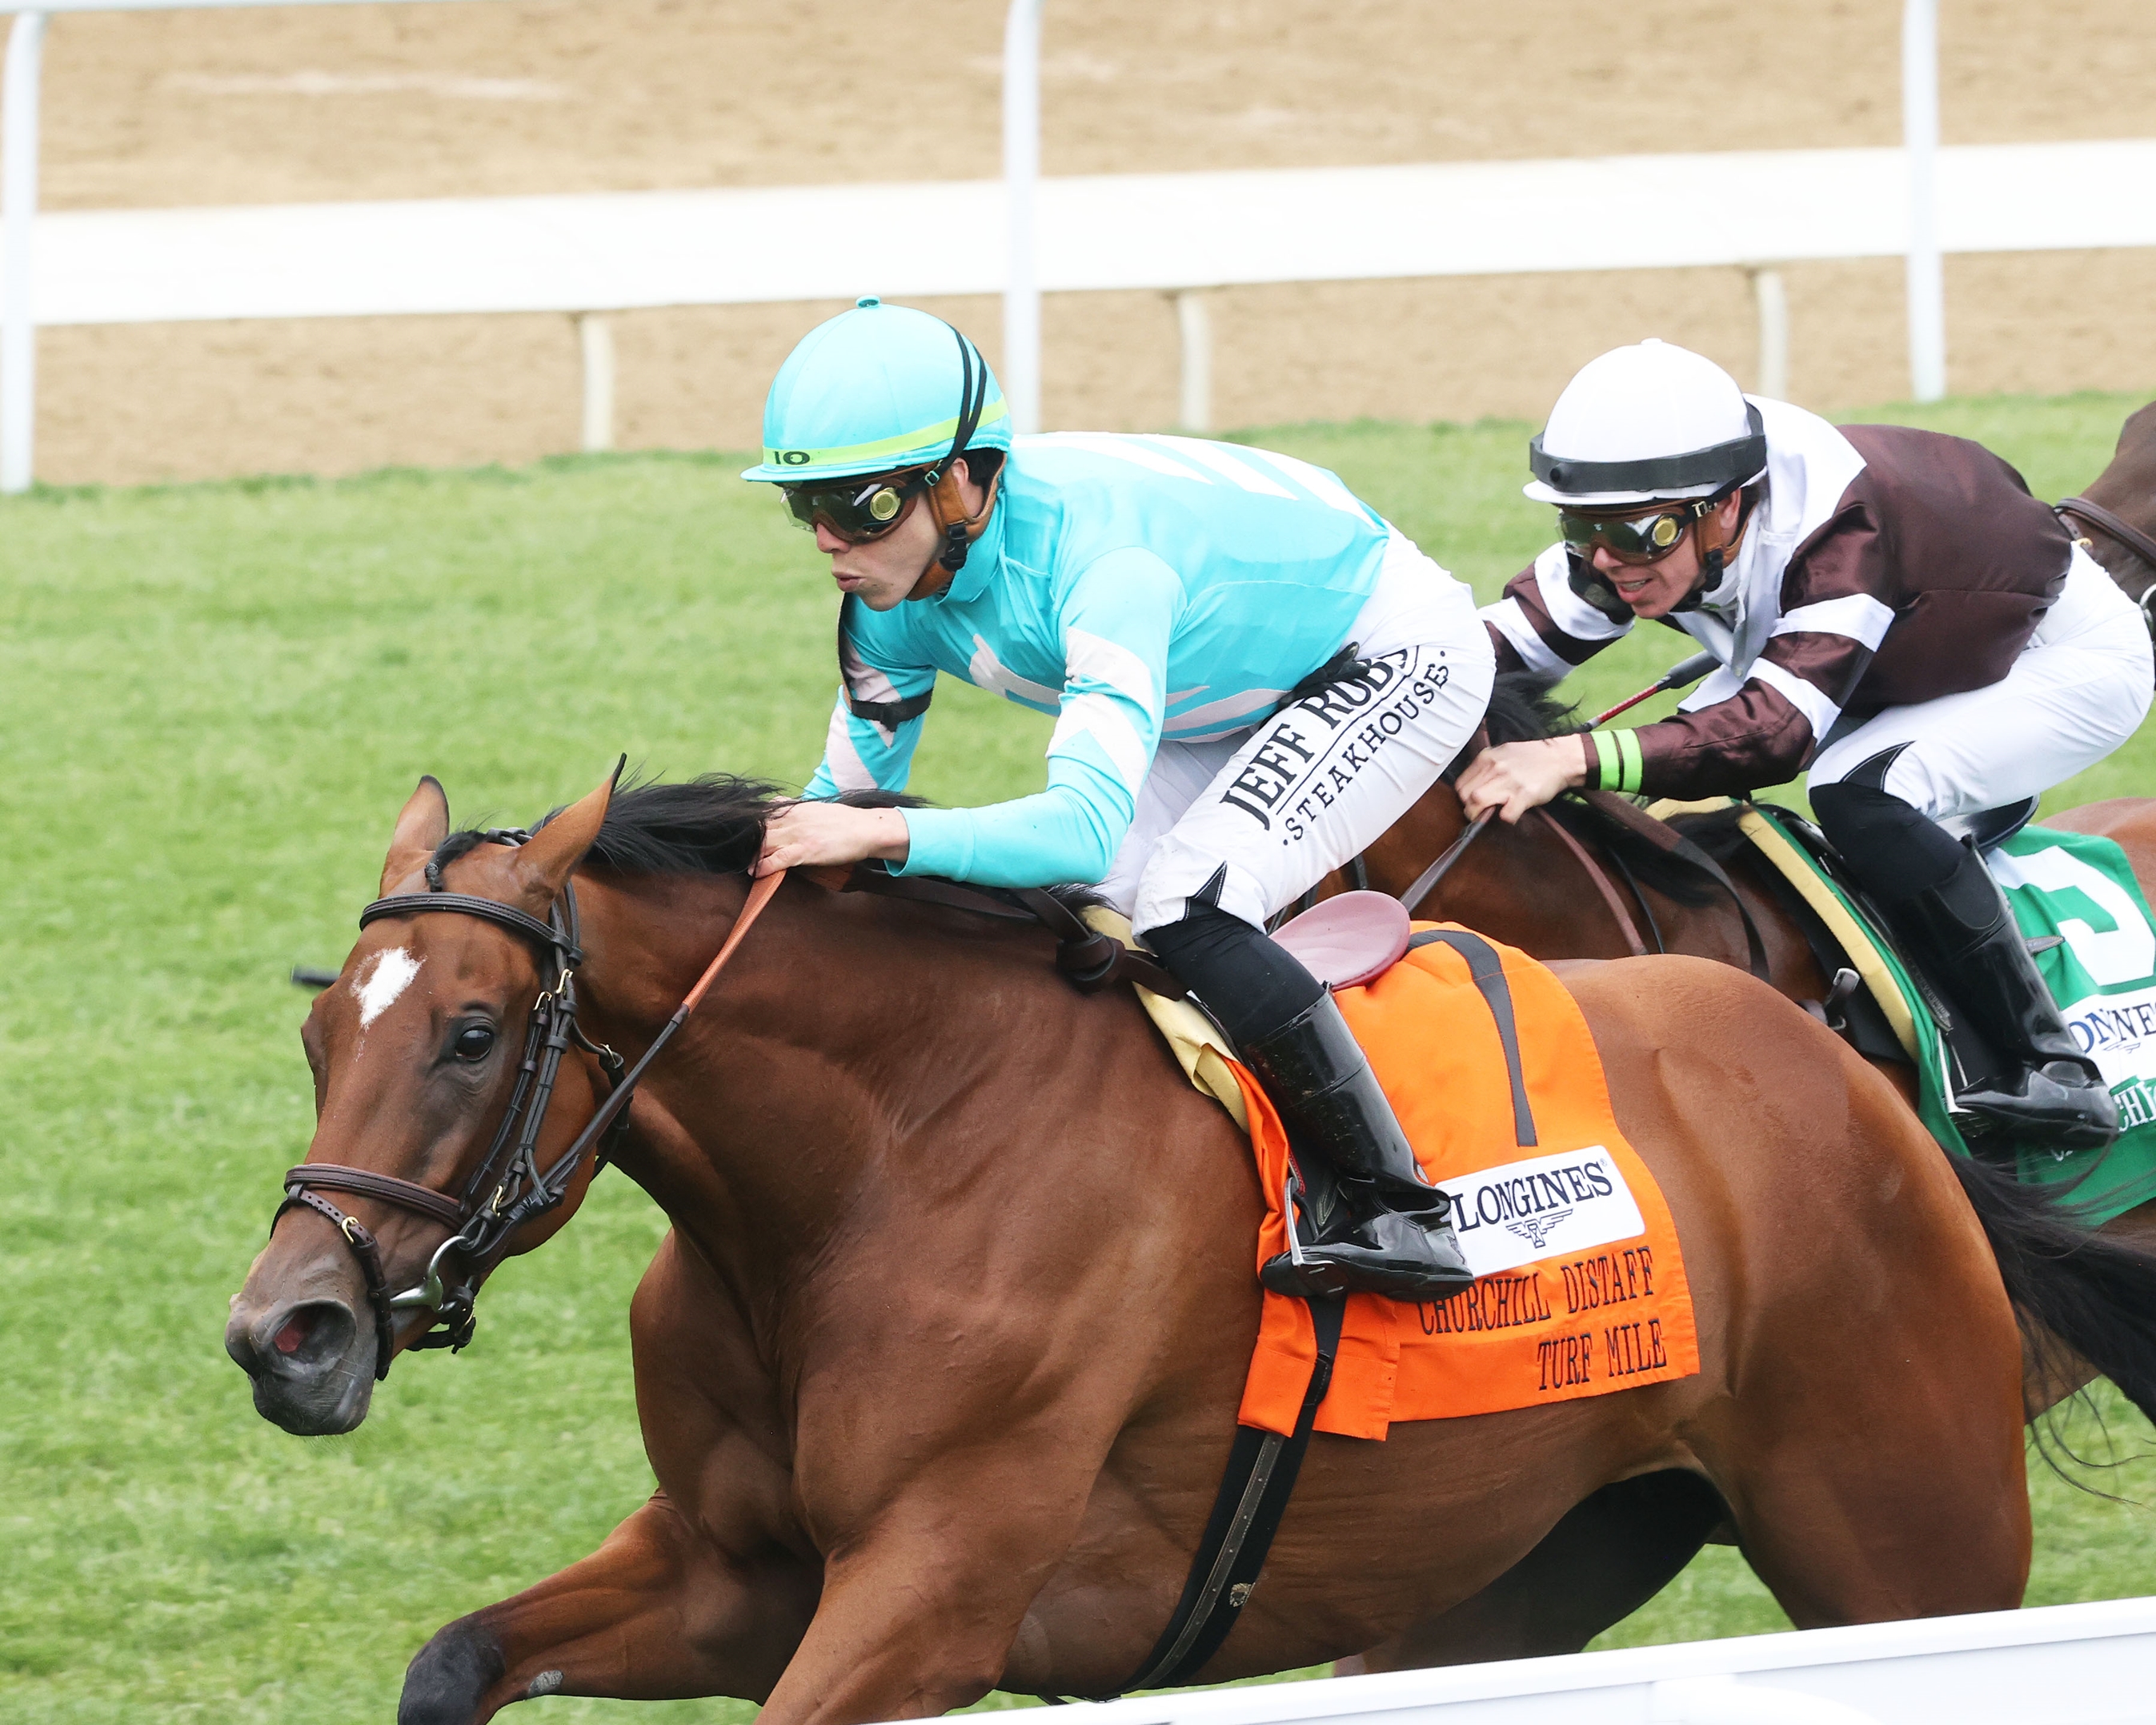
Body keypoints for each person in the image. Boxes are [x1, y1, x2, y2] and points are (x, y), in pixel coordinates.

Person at [742, 297, 1496, 1300]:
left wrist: (884, 833)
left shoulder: (1105, 568)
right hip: (1227, 678)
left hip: (1388, 648)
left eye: (864, 506)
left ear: (965, 479)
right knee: (1084, 900)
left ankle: (1399, 1208)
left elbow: (1072, 818)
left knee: (1189, 897)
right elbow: (835, 804)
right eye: (810, 509)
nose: (832, 542)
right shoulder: (889, 607)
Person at [1461, 339, 2153, 1149]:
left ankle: (2050, 1067)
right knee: (1667, 783)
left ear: (1724, 507)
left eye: (1637, 534)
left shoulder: (1837, 529)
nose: (1607, 561)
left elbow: (1773, 737)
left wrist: (1571, 754)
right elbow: (1480, 656)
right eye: (1580, 528)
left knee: (1860, 790)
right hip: (1904, 646)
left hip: (2053, 658)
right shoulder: (1649, 519)